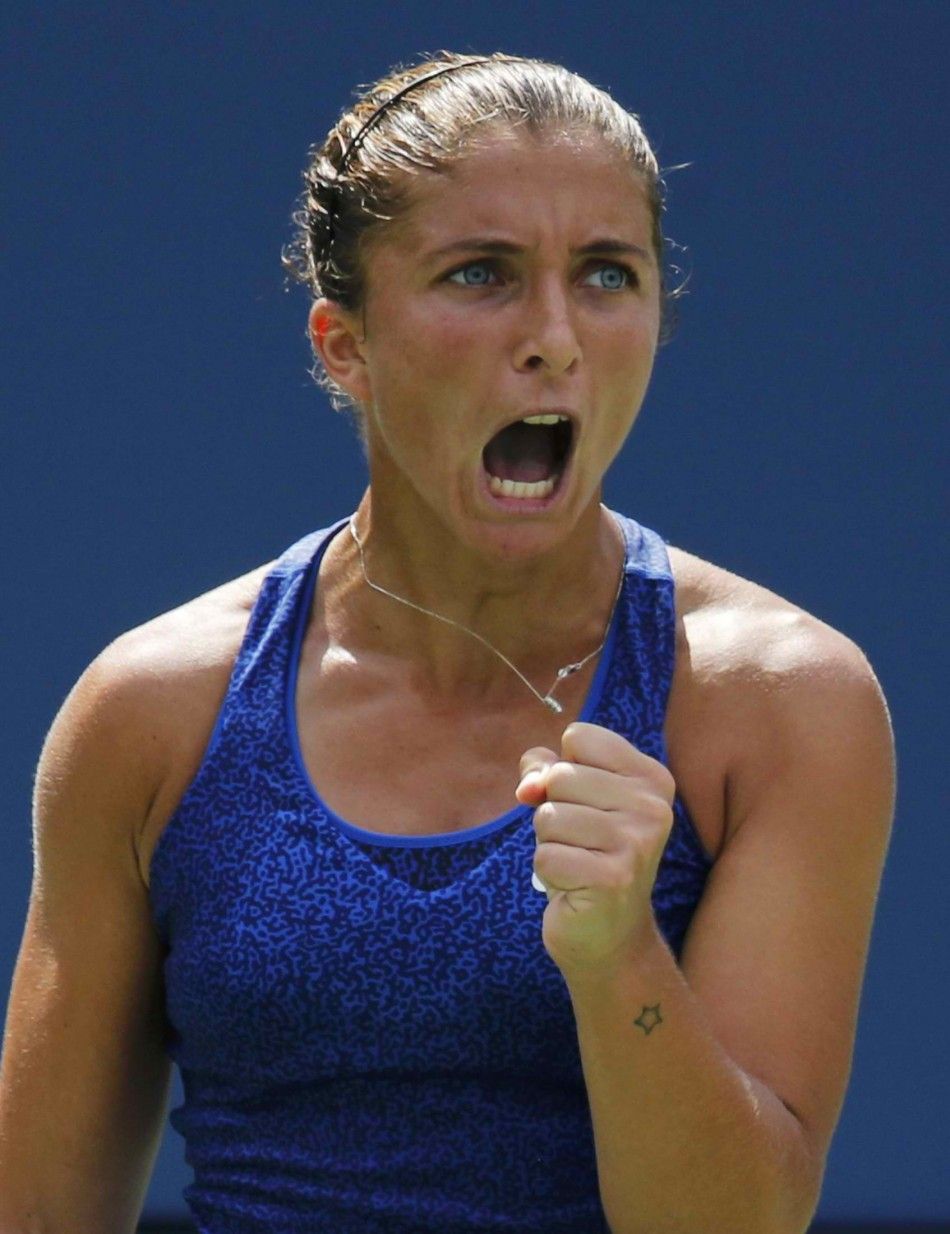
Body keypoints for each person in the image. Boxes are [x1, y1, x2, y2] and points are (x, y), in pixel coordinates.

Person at [0, 51, 896, 1234]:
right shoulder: (150, 713)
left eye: (606, 275)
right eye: (480, 274)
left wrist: (618, 955)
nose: (553, 337)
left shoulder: (778, 701)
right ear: (344, 345)